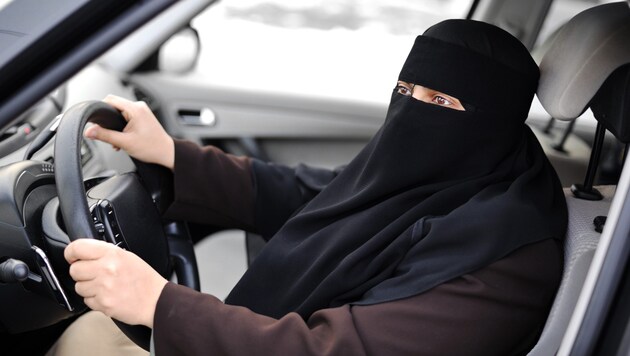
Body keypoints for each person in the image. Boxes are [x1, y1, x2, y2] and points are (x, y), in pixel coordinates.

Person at [50, 19, 568, 355]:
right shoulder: (458, 173)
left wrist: (160, 304)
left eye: (440, 101)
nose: (412, 109)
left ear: (493, 119)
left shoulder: (505, 252)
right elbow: (315, 194)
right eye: (406, 90)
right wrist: (171, 155)